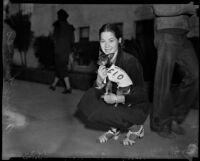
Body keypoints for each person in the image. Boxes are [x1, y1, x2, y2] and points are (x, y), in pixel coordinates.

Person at [76, 23, 149, 145]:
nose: (106, 46)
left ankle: (136, 128)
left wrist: (117, 99)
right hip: (115, 101)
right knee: (89, 98)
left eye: (111, 41)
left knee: (106, 111)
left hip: (134, 105)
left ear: (119, 41)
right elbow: (99, 89)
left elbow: (141, 96)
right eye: (102, 41)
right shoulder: (104, 59)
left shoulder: (130, 62)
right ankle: (115, 128)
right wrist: (99, 79)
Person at [150, 3, 199, 139]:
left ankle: (174, 118)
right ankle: (160, 123)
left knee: (195, 75)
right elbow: (159, 8)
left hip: (182, 35)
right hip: (166, 33)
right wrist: (188, 8)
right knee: (163, 81)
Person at [49, 9, 75, 94]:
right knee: (59, 67)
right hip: (66, 51)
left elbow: (54, 38)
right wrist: (70, 52)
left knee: (62, 68)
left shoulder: (58, 26)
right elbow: (72, 41)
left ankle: (68, 87)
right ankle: (53, 85)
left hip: (58, 51)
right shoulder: (70, 28)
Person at [3, 0, 16, 82]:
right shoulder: (11, 31)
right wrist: (11, 51)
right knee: (7, 63)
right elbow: (9, 43)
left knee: (6, 63)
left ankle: (6, 77)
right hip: (6, 50)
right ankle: (8, 77)